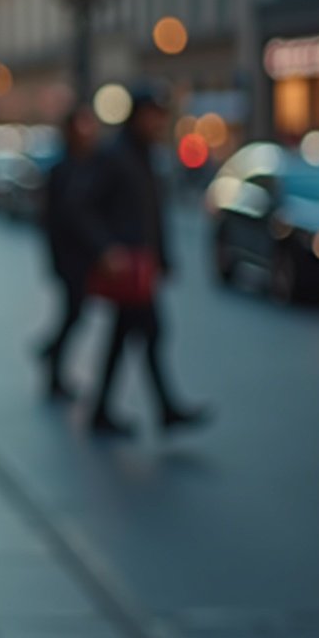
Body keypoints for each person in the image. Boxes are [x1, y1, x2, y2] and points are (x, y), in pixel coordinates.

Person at [72, 83, 210, 437]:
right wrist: (105, 248)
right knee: (150, 333)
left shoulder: (145, 157)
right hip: (126, 265)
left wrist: (163, 257)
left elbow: (152, 213)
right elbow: (82, 206)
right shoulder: (115, 156)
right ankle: (163, 409)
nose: (157, 124)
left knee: (127, 338)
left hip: (141, 265)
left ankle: (107, 410)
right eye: (152, 116)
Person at [37, 106, 101, 401]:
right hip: (70, 258)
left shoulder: (87, 167)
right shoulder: (64, 170)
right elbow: (59, 217)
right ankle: (51, 358)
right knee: (73, 313)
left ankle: (49, 353)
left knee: (73, 314)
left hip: (81, 258)